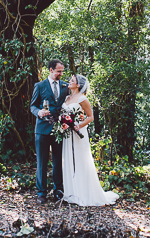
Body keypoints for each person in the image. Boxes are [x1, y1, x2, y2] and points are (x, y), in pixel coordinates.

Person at [61, 74, 118, 206]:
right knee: (69, 160)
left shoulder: (82, 98)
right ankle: (71, 192)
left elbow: (90, 117)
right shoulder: (67, 97)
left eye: (72, 80)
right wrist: (62, 123)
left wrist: (78, 125)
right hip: (67, 134)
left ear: (78, 85)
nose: (69, 82)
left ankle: (84, 193)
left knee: (81, 161)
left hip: (78, 132)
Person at [30, 59, 68, 205]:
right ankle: (41, 194)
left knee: (58, 161)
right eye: (59, 71)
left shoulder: (65, 86)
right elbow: (32, 106)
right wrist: (38, 112)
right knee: (42, 162)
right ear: (51, 70)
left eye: (62, 71)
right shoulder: (39, 86)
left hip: (59, 129)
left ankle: (58, 192)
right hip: (42, 130)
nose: (61, 74)